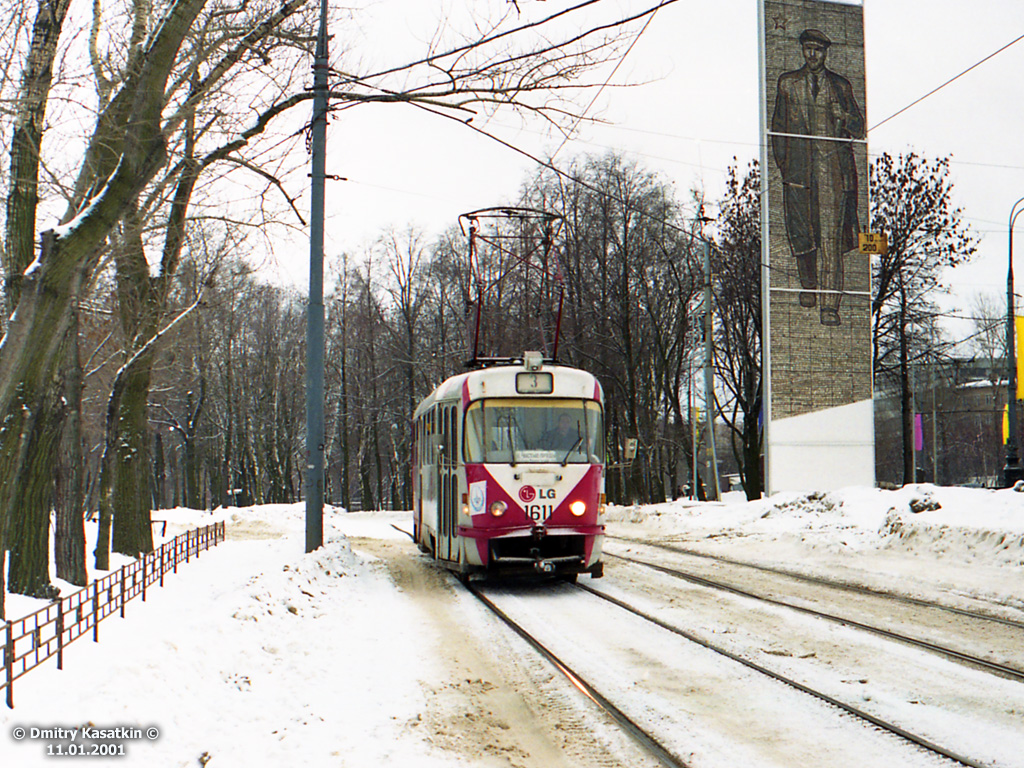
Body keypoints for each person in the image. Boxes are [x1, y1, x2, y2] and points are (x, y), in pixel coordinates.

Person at [771, 28, 864, 327]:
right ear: (802, 50)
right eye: (808, 49)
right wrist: (785, 167)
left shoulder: (840, 85)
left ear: (826, 53)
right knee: (802, 233)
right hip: (799, 171)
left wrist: (845, 117)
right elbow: (778, 129)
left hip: (834, 173)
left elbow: (859, 128)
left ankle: (830, 306)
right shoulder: (788, 83)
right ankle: (808, 285)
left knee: (831, 241)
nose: (813, 55)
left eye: (818, 50)